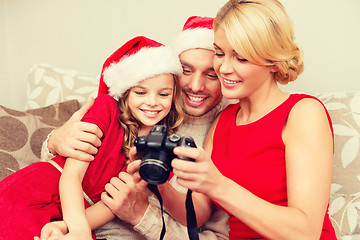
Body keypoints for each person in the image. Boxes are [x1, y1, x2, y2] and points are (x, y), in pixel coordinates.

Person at [147, 0, 337, 239]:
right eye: (219, 53)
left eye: (241, 58)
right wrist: (158, 184)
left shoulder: (303, 113)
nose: (223, 68)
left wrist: (218, 185)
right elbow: (200, 210)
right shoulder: (225, 119)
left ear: (273, 61)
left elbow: (305, 231)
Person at [41, 16, 231, 240]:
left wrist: (141, 215)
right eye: (186, 71)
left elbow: (212, 234)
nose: (196, 86)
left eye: (211, 75)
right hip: (74, 216)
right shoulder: (142, 110)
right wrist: (54, 141)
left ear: (225, 76)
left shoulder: (227, 131)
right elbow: (75, 164)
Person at [0, 36, 185, 240]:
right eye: (141, 92)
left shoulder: (160, 149)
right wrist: (78, 229)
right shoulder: (106, 108)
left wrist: (67, 228)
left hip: (79, 215)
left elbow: (111, 205)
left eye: (163, 95)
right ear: (125, 93)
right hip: (41, 192)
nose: (152, 102)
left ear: (174, 95)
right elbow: (72, 176)